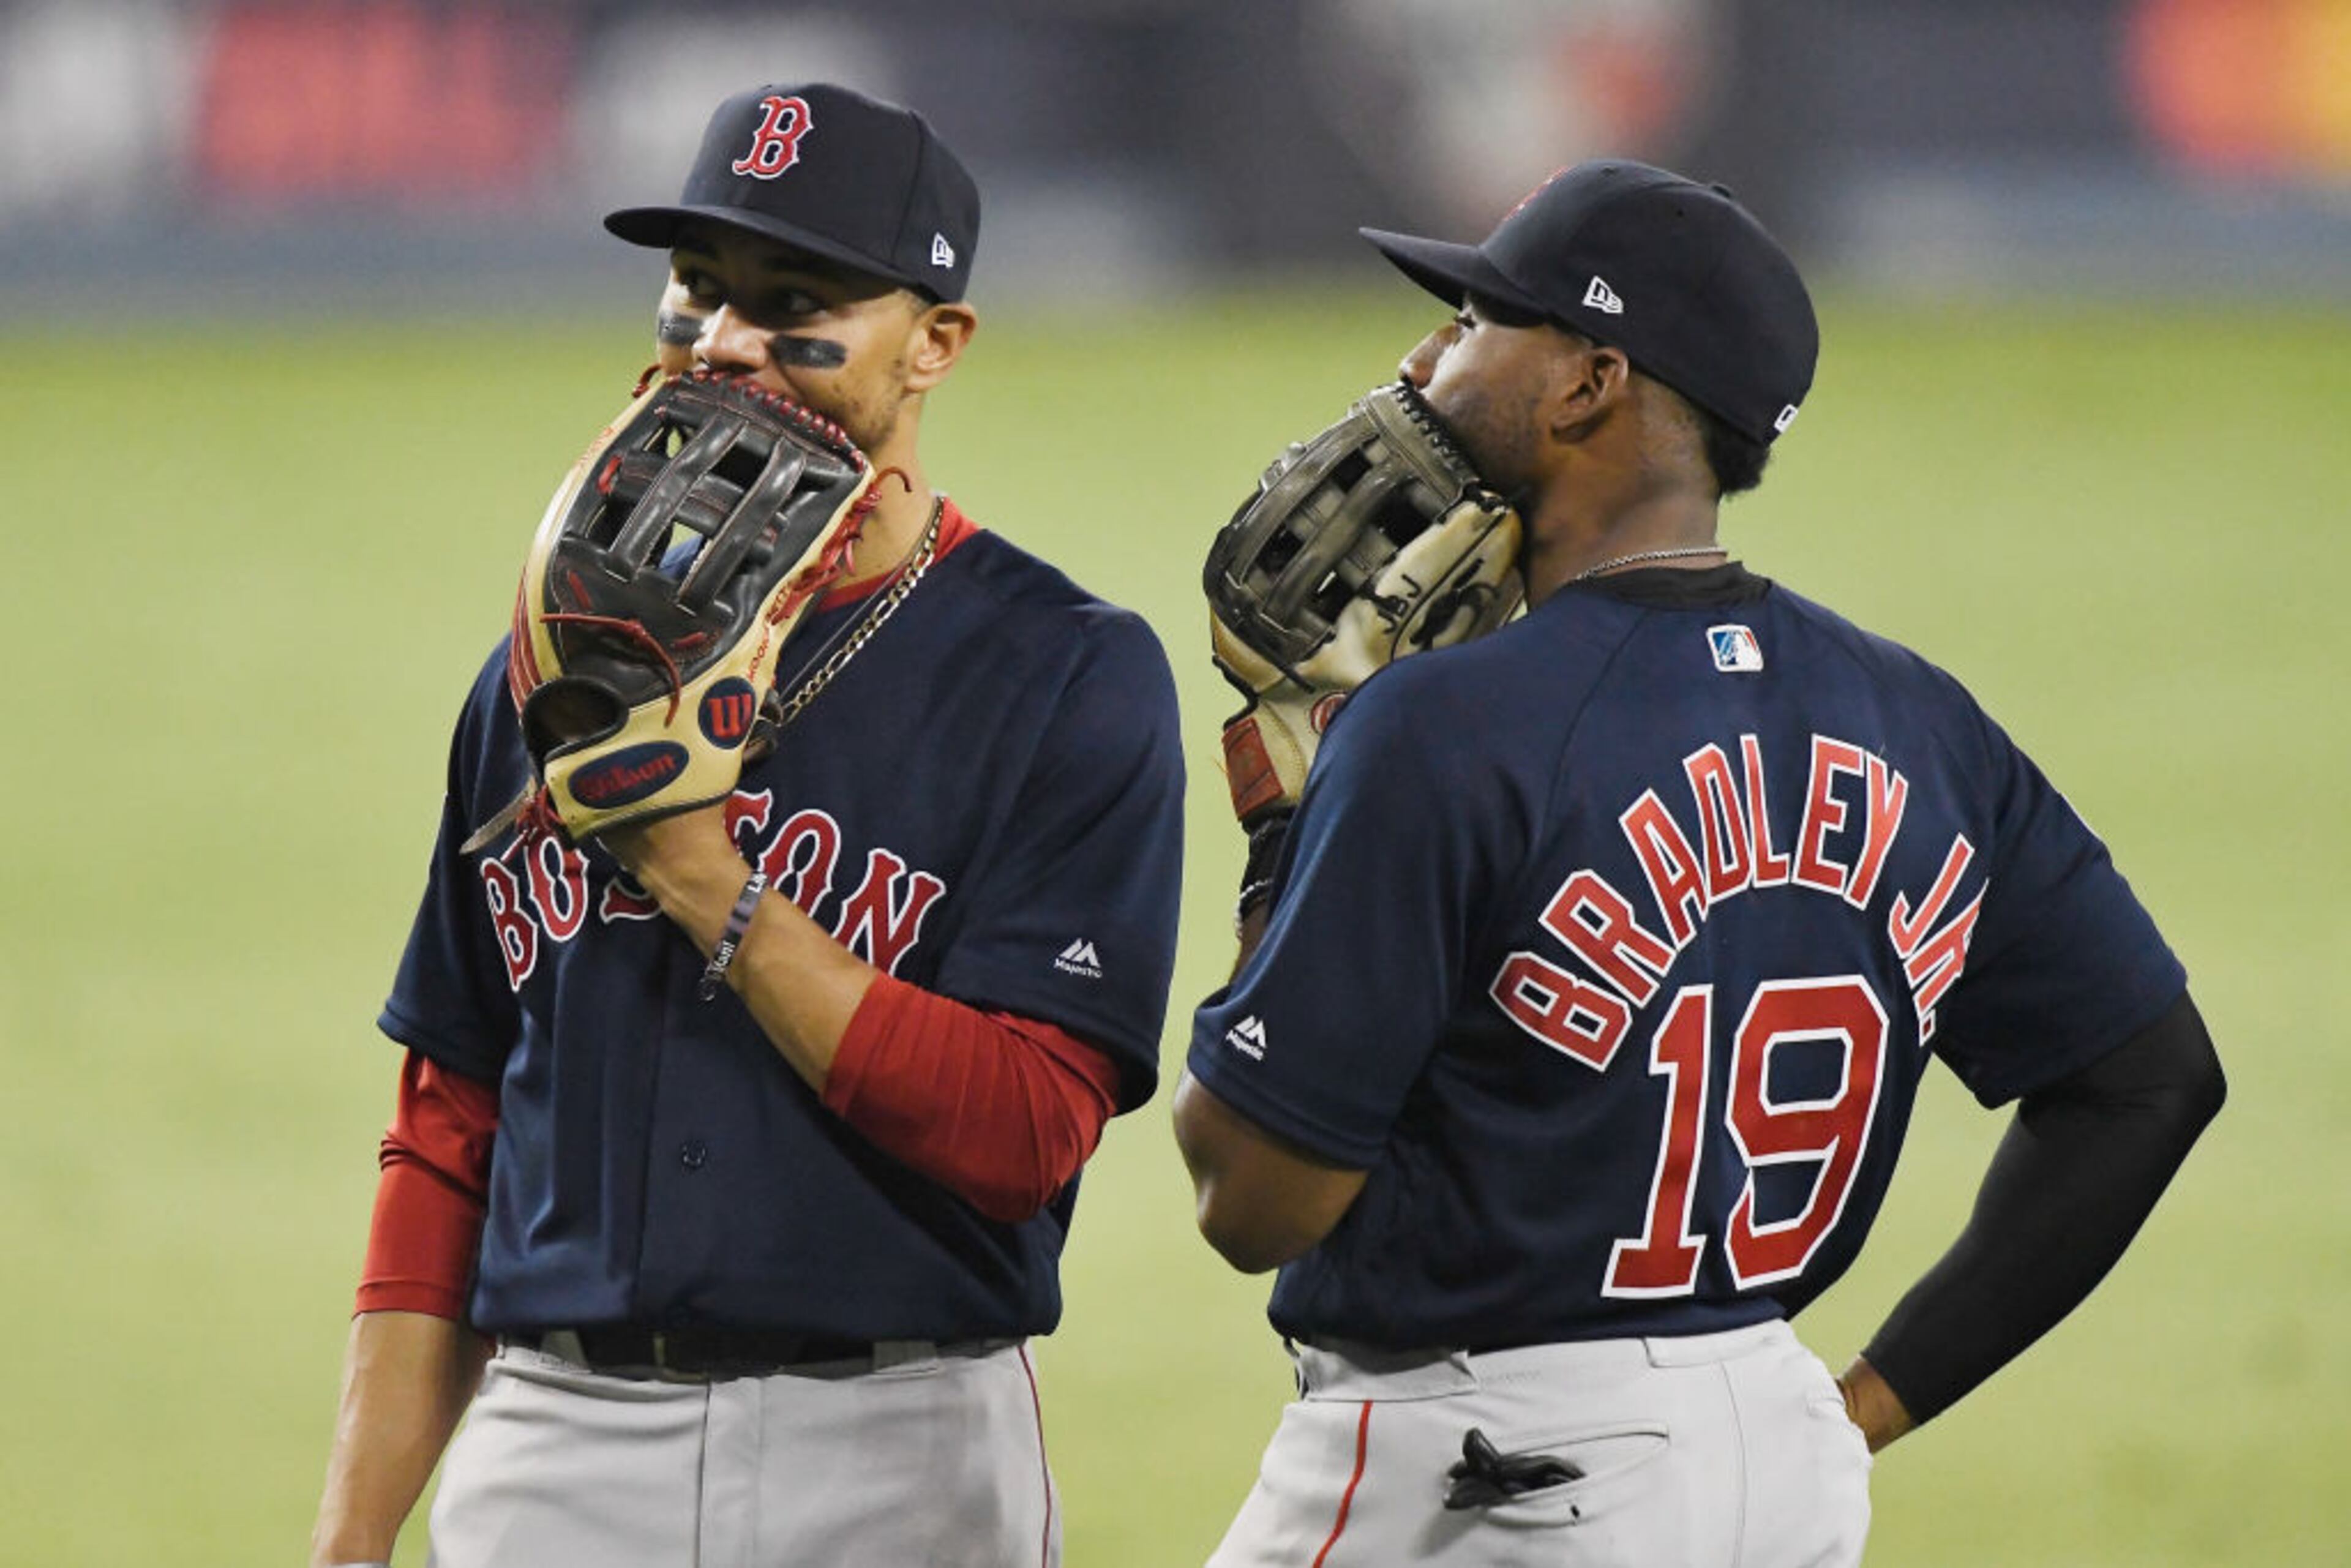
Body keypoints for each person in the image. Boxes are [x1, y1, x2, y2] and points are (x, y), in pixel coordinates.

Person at [1174, 160, 2224, 1566]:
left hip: (1478, 1475)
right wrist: (1854, 1408)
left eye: (1483, 319)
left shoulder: (1443, 726)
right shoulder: (1916, 720)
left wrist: (1286, 838)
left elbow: (1252, 1198)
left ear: (1587, 385)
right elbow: (2151, 1080)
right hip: (1772, 1462)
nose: (1429, 358)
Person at [310, 81, 1184, 1568]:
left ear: (937, 343)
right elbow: (450, 1127)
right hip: (551, 1449)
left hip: (900, 1451)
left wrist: (704, 878)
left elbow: (1025, 1130)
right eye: (700, 290)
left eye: (798, 302)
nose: (726, 341)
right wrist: (349, 1541)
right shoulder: (548, 664)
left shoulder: (1066, 674)